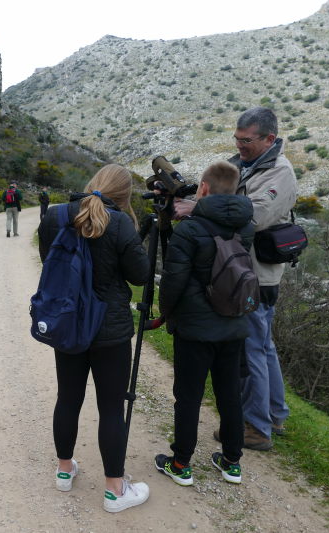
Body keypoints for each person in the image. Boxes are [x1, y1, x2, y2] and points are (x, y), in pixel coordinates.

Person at [174, 107, 298, 451]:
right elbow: (224, 201)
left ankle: (257, 428)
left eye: (246, 140)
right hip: (244, 270)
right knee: (264, 346)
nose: (239, 146)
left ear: (269, 138)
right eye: (237, 139)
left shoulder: (280, 173)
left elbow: (252, 216)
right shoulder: (248, 164)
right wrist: (189, 200)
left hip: (254, 275)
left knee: (253, 350)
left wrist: (197, 208)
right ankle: (274, 412)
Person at [37, 164, 150, 513]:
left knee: (68, 399)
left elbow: (49, 262)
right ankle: (115, 491)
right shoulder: (119, 225)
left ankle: (64, 471)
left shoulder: (55, 217)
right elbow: (141, 276)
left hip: (68, 324)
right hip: (109, 331)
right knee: (111, 409)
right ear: (124, 194)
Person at [154, 161, 254, 487]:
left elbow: (172, 281)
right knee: (229, 396)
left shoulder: (190, 230)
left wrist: (164, 314)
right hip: (235, 324)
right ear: (237, 191)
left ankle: (181, 462)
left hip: (195, 331)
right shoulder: (246, 227)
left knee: (189, 397)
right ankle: (232, 462)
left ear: (204, 189)